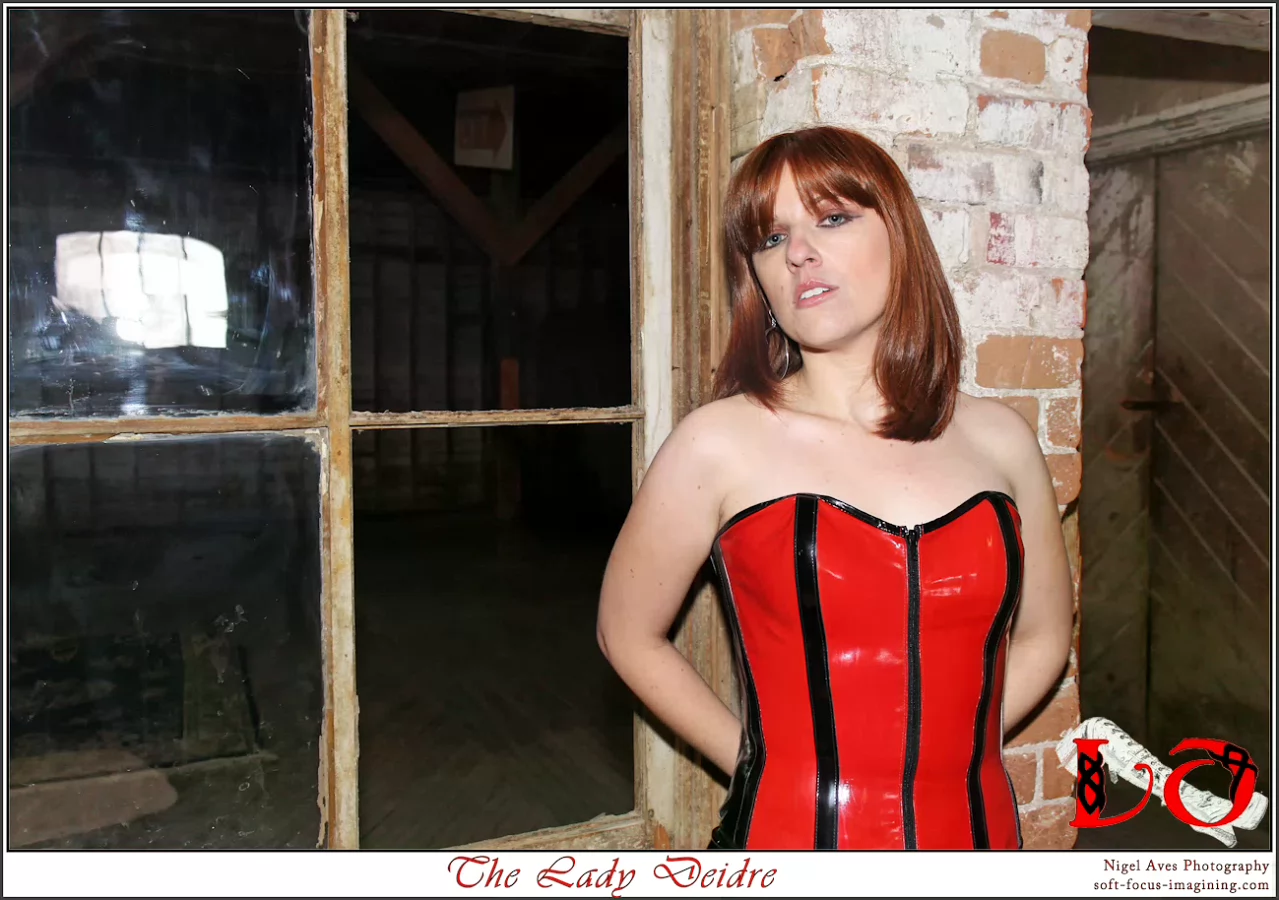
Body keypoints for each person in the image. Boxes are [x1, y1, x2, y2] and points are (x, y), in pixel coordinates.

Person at [595, 125, 1074, 850]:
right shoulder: (717, 442)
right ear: (757, 278)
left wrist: (943, 753)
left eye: (833, 218)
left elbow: (1044, 635)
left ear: (899, 238)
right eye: (770, 237)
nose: (797, 252)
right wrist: (762, 764)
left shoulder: (1000, 439)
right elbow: (626, 633)